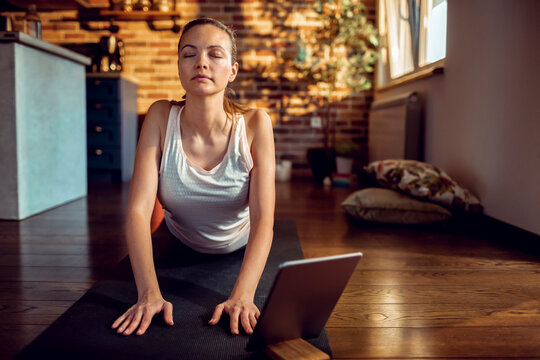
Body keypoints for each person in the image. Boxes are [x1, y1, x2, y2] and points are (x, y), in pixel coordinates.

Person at [111, 17, 275, 337]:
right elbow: (138, 211)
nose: (201, 62)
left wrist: (242, 295)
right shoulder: (160, 115)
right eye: (189, 54)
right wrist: (148, 294)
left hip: (237, 242)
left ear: (232, 71)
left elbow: (264, 219)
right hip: (179, 240)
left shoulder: (255, 123)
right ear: (179, 67)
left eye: (215, 54)